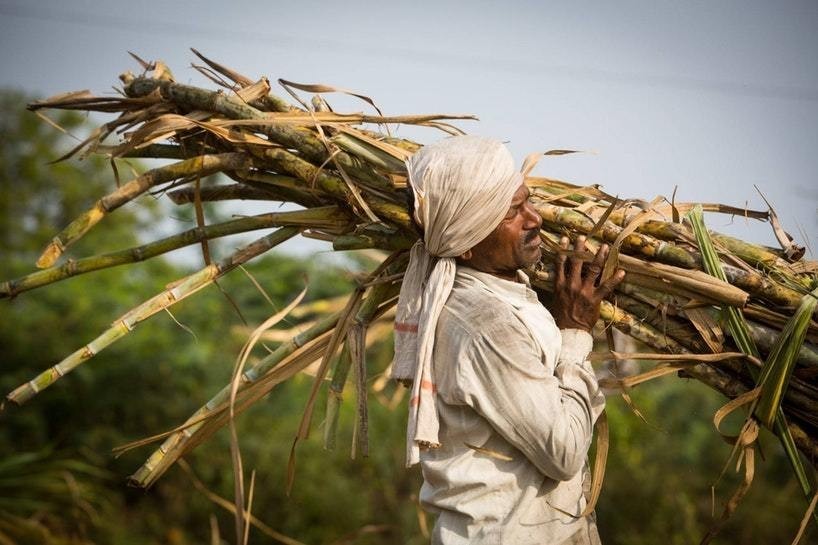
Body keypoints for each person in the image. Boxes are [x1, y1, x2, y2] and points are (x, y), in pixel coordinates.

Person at [391, 135, 625, 544]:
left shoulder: (505, 293)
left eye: (527, 201)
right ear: (467, 242)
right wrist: (574, 332)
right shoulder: (485, 326)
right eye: (512, 212)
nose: (534, 218)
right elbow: (564, 451)